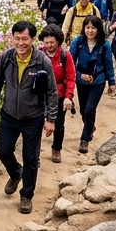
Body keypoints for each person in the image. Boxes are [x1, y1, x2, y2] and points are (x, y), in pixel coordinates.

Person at [0, 21, 58, 214]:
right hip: (9, 115)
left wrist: (50, 119)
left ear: (33, 39)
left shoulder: (41, 61)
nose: (20, 43)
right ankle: (16, 173)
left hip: (33, 117)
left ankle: (26, 195)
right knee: (3, 151)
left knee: (31, 157)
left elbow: (51, 91)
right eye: (17, 38)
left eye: (24, 39)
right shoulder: (7, 58)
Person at [70, 15, 116, 157]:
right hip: (82, 80)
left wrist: (112, 82)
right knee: (83, 110)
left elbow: (108, 63)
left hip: (98, 80)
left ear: (98, 29)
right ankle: (90, 127)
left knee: (90, 109)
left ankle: (84, 139)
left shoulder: (104, 44)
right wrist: (79, 76)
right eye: (88, 27)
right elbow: (70, 64)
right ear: (84, 28)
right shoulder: (78, 42)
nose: (90, 31)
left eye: (93, 28)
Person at [39, 25, 77, 163]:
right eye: (46, 42)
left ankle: (56, 148)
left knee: (58, 125)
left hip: (59, 95)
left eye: (52, 42)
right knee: (36, 124)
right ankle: (35, 153)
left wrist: (68, 97)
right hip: (41, 95)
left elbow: (71, 77)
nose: (49, 45)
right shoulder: (39, 54)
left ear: (58, 41)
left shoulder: (65, 55)